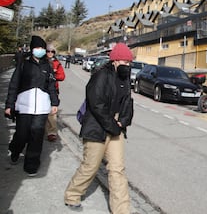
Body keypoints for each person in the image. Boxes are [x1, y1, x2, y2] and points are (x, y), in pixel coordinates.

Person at [64, 42, 134, 213]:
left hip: (116, 126)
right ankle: (72, 195)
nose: (128, 66)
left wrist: (122, 122)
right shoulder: (101, 76)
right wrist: (113, 125)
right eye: (125, 62)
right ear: (115, 61)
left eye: (129, 62)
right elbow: (96, 105)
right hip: (97, 126)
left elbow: (128, 104)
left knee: (117, 169)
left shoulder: (124, 79)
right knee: (91, 166)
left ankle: (122, 209)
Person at [4, 35, 59, 176]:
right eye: (37, 47)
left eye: (42, 48)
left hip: (41, 107)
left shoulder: (48, 66)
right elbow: (14, 85)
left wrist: (54, 103)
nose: (40, 50)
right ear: (32, 48)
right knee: (22, 134)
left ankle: (32, 164)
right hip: (24, 106)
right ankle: (15, 149)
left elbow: (52, 86)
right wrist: (10, 105)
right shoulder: (24, 64)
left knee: (37, 135)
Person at [45, 44, 65, 142]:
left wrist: (53, 75)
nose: (50, 53)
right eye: (48, 51)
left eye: (52, 51)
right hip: (42, 89)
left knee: (52, 112)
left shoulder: (57, 63)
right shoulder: (41, 61)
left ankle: (51, 132)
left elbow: (62, 76)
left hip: (53, 89)